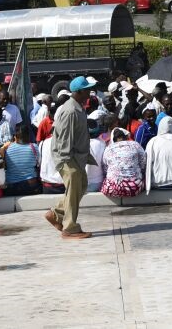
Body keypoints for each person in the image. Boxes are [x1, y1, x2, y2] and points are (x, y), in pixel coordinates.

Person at [45, 76, 95, 240]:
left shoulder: (77, 107)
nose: (90, 91)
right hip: (68, 157)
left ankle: (57, 214)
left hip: (74, 157)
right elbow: (64, 139)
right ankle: (70, 228)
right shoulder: (70, 111)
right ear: (80, 91)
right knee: (74, 187)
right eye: (87, 89)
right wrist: (69, 164)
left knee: (81, 186)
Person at [102, 128, 147, 199]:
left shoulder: (108, 148)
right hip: (135, 187)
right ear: (125, 138)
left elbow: (105, 168)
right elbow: (143, 163)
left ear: (113, 140)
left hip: (113, 189)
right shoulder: (135, 144)